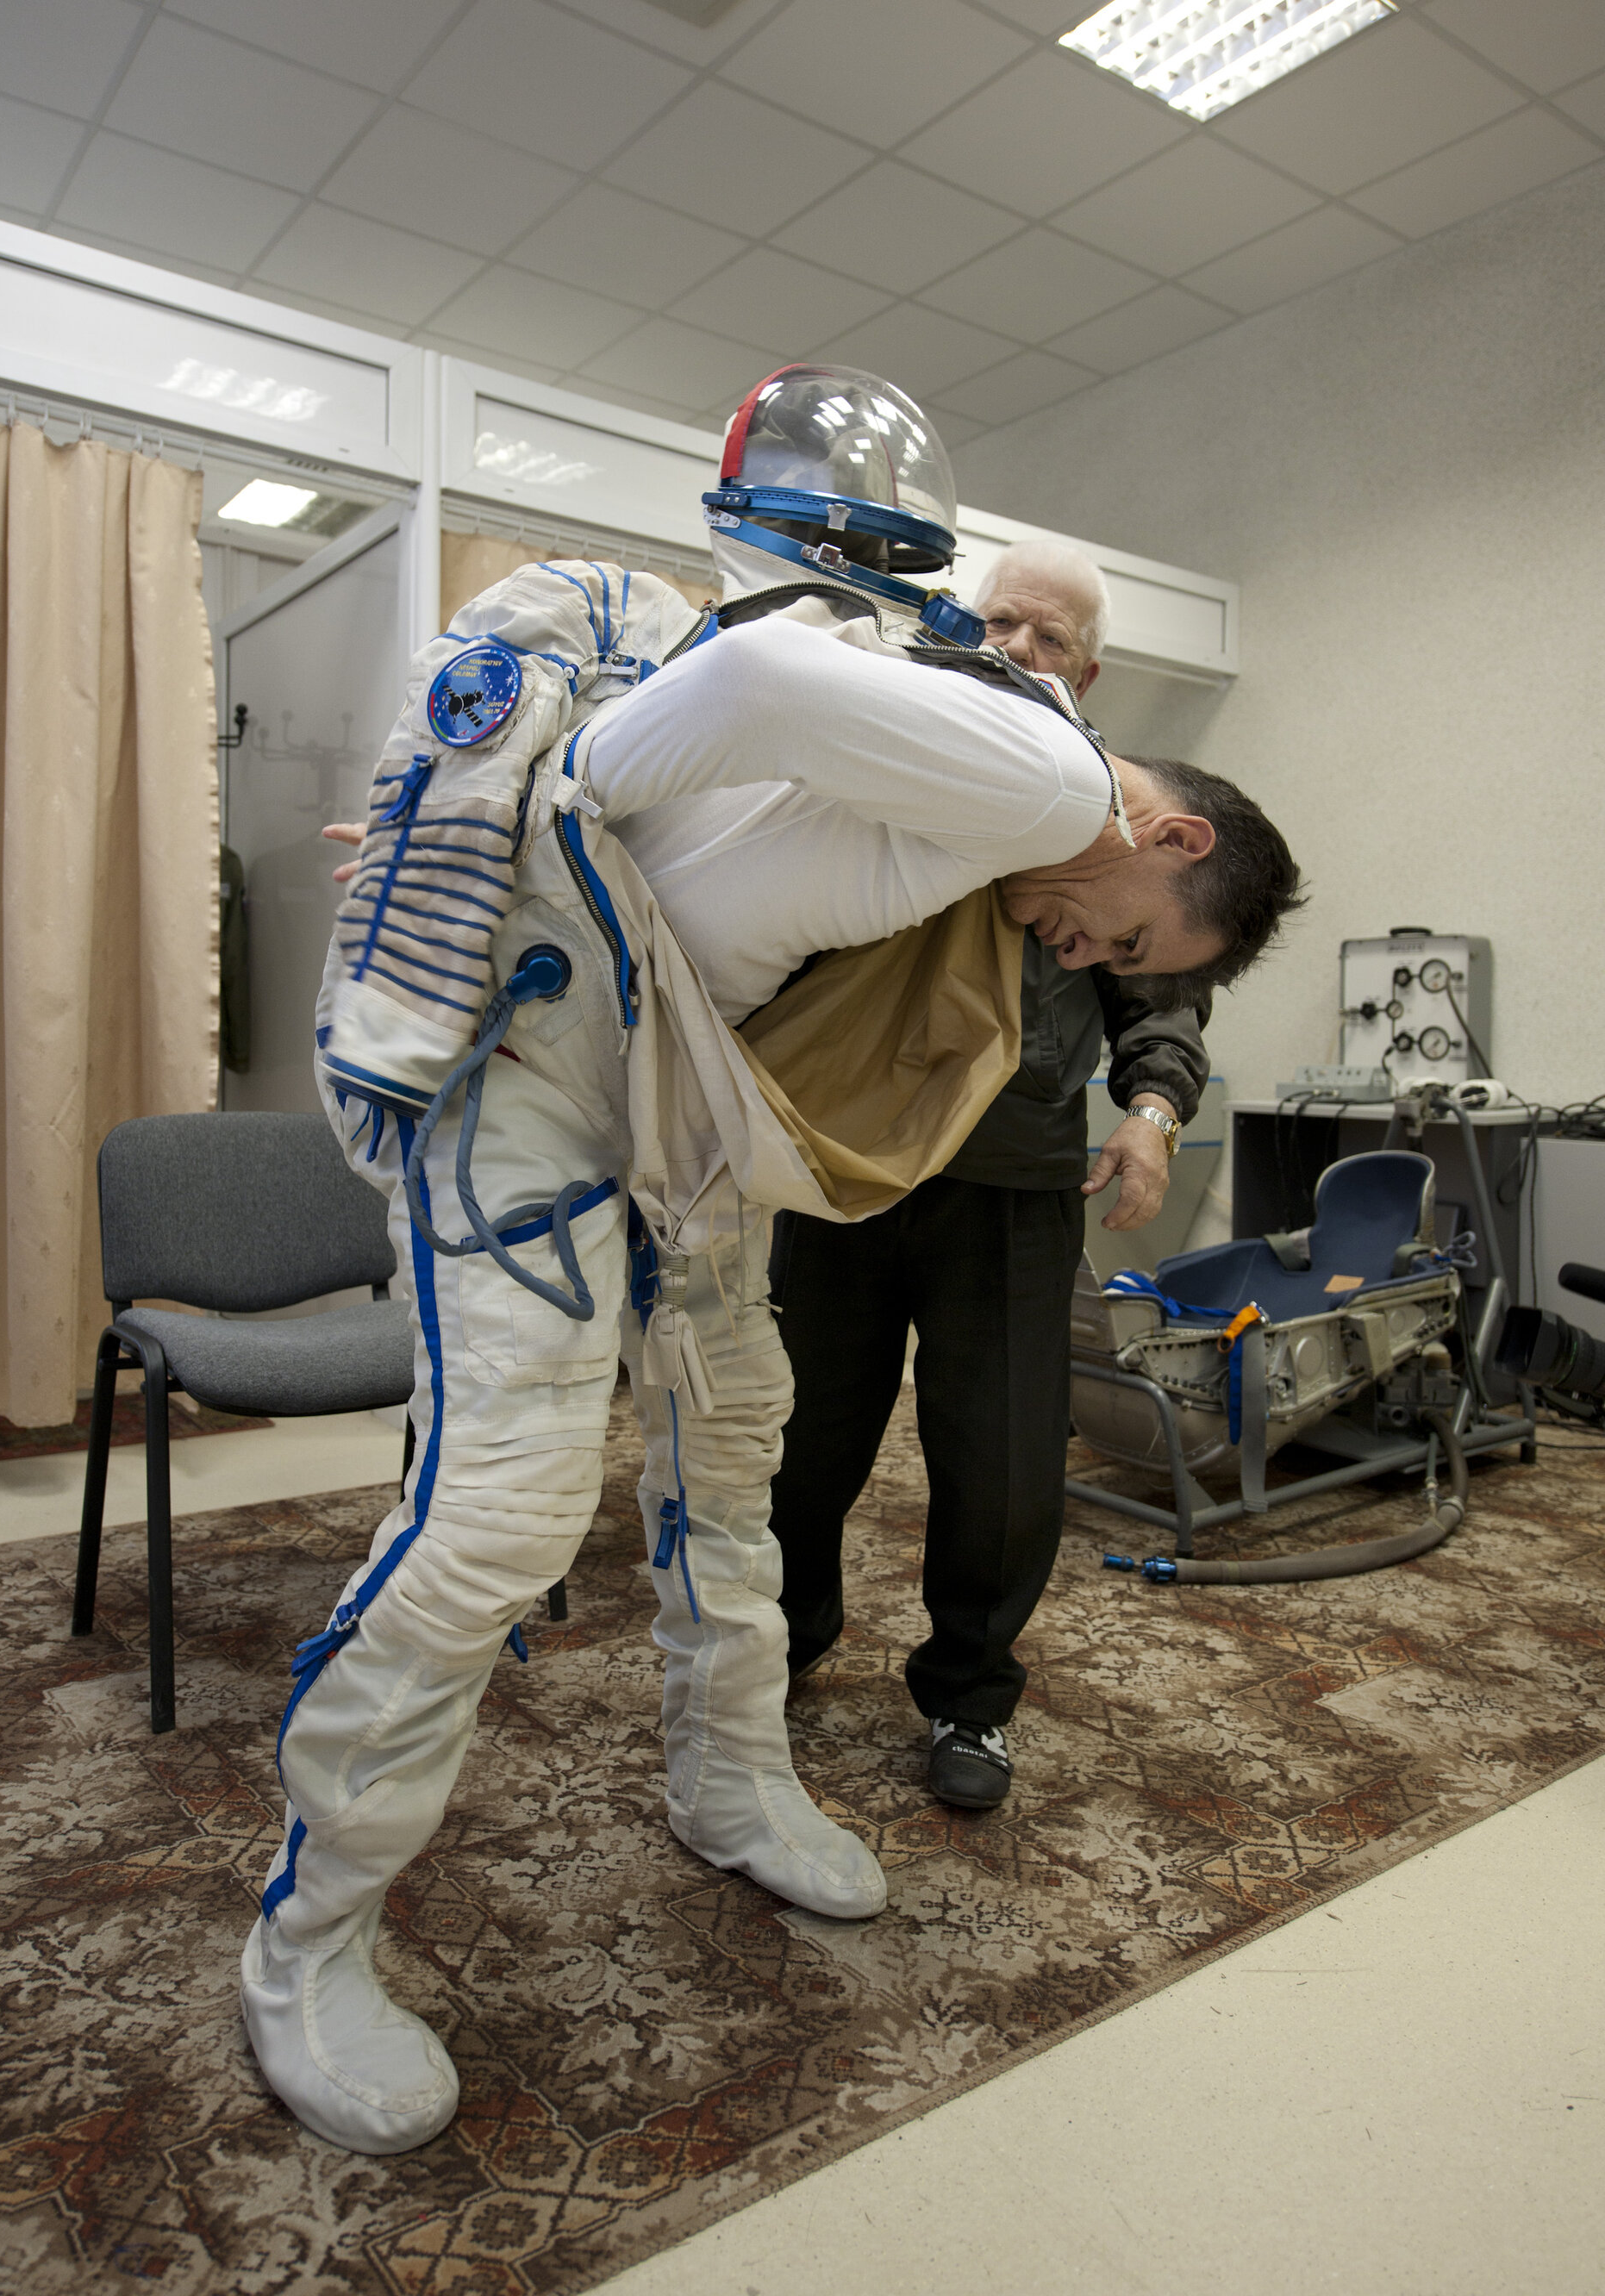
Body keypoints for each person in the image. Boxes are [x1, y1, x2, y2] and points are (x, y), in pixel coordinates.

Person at [249, 364, 1302, 2158]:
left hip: (672, 1104)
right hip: (533, 1089)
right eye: (1127, 937)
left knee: (738, 1456)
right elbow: (723, 689)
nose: (1087, 951)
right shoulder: (1044, 766)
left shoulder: (975, 783)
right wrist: (556, 820)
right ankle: (307, 1945)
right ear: (1169, 836)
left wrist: (562, 839)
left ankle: (732, 1777)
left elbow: (738, 822)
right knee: (497, 1515)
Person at [771, 540, 1215, 1814]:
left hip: (1013, 1182)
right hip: (843, 1167)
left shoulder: (1098, 812)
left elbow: (1161, 992)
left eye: (1050, 637)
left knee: (1002, 1462)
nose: (1021, 650)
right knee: (802, 1437)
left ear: (1091, 668)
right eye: (1001, 623)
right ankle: (792, 1633)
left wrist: (1151, 1115)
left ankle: (971, 1699)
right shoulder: (888, 752)